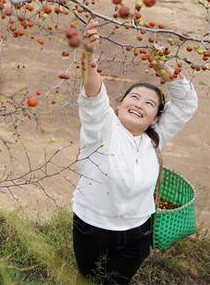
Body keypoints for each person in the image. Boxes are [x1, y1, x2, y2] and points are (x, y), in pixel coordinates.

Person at [72, 20, 198, 284]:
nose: (140, 104)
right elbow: (93, 94)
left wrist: (160, 62)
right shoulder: (102, 128)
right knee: (88, 276)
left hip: (139, 230)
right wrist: (88, 56)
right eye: (134, 98)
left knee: (117, 281)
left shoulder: (155, 138)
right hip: (93, 225)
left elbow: (186, 104)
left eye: (150, 103)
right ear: (119, 105)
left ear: (155, 118)